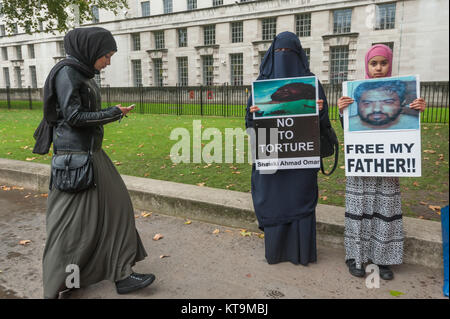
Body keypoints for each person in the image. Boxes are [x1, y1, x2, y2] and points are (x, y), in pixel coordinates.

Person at [34, 27, 155, 299]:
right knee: (71, 228)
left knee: (117, 209)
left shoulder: (83, 72)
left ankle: (122, 274)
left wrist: (113, 113)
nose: (108, 61)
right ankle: (59, 286)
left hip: (91, 153)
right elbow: (74, 116)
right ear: (91, 51)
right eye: (107, 55)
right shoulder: (67, 72)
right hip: (75, 160)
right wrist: (112, 113)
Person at [338, 44, 426, 280]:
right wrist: (341, 112)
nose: (378, 68)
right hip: (361, 168)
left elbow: (407, 131)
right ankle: (355, 257)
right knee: (358, 212)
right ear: (367, 65)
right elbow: (348, 130)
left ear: (390, 64)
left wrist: (418, 110)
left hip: (387, 170)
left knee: (385, 212)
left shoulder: (401, 99)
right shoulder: (354, 95)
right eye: (373, 63)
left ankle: (383, 260)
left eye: (383, 63)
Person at [246, 31, 330, 265]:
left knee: (299, 199)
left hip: (301, 162)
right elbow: (250, 128)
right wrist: (253, 117)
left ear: (299, 55)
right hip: (271, 160)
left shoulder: (312, 84)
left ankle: (301, 253)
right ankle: (276, 251)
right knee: (273, 201)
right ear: (272, 55)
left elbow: (324, 126)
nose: (285, 57)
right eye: (280, 52)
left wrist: (320, 111)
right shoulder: (260, 86)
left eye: (290, 53)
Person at [349, 80, 420, 131]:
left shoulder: (413, 124)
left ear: (402, 102)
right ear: (358, 103)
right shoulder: (350, 125)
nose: (377, 109)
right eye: (368, 103)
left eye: (388, 102)